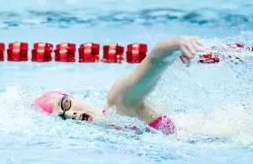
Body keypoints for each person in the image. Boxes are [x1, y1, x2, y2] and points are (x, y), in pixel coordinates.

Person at [33, 36, 205, 135]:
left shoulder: (118, 103)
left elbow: (155, 60)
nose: (72, 114)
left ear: (72, 97)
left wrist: (177, 43)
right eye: (62, 117)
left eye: (65, 104)